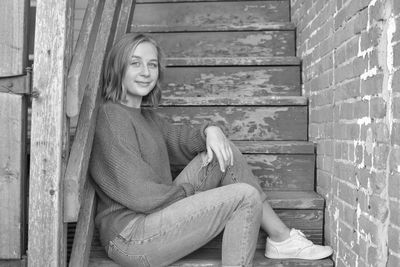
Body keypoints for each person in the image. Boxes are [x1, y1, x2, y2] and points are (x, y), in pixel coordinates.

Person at [89, 33, 333, 267]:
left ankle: (281, 238)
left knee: (223, 153)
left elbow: (180, 139)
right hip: (130, 238)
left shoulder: (146, 117)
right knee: (244, 197)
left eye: (152, 65)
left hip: (152, 218)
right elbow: (141, 195)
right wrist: (190, 194)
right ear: (117, 68)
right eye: (135, 63)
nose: (145, 72)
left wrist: (211, 130)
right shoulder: (112, 117)